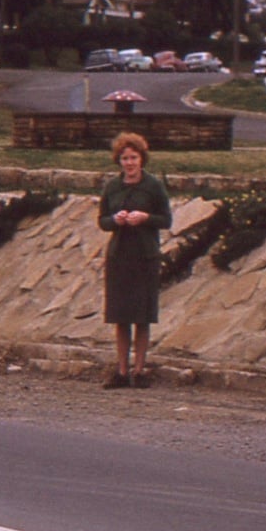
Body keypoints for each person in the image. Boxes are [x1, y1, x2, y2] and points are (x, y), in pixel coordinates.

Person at [97, 131, 172, 387]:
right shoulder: (112, 187)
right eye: (125, 158)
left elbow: (166, 219)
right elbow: (102, 221)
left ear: (142, 159)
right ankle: (121, 371)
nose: (129, 163)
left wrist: (145, 218)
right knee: (120, 316)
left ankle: (139, 371)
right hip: (119, 256)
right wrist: (115, 220)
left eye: (133, 158)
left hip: (145, 256)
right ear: (119, 161)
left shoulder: (153, 186)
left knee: (142, 316)